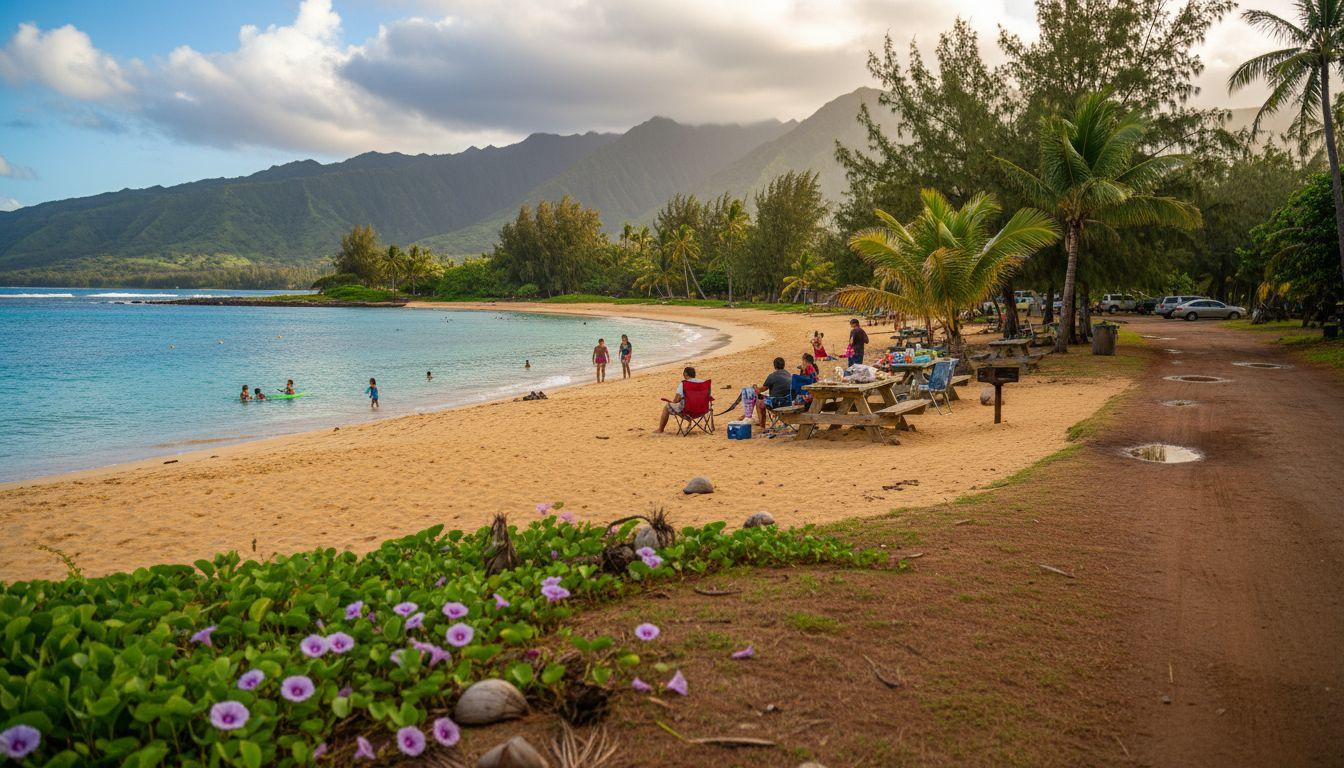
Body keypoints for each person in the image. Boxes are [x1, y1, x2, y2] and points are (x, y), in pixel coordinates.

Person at [656, 366, 703, 433]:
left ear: (685, 374)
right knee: (688, 404)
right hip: (702, 409)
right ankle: (689, 423)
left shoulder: (684, 384)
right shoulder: (702, 382)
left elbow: (676, 399)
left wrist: (672, 402)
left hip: (689, 410)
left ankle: (660, 429)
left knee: (667, 407)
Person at [756, 357, 793, 427]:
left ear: (774, 366)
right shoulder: (789, 375)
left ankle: (762, 426)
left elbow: (763, 389)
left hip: (776, 404)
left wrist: (755, 388)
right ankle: (785, 421)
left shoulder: (772, 376)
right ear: (784, 365)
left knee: (759, 403)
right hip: (788, 403)